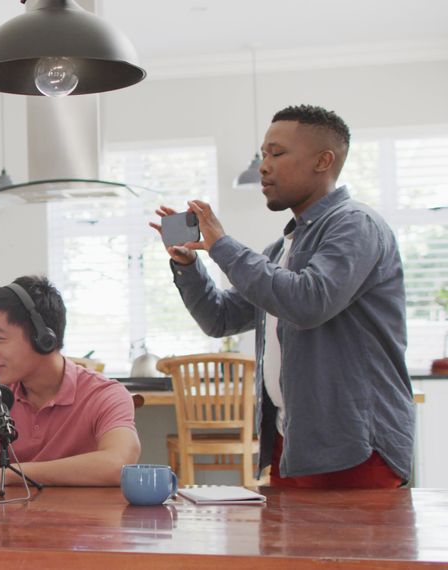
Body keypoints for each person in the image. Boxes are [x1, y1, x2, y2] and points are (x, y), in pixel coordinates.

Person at [150, 104, 413, 488]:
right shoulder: (283, 248)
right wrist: (190, 266)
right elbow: (220, 318)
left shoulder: (356, 225)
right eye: (263, 154)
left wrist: (223, 245)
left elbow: (308, 302)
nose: (263, 166)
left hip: (356, 447)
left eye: (277, 153)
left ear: (323, 161)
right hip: (295, 445)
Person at [0, 276, 141, 486]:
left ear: (43, 338)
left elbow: (118, 464)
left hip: (86, 519)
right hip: (8, 519)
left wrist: (9, 473)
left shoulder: (105, 395)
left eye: (0, 338)